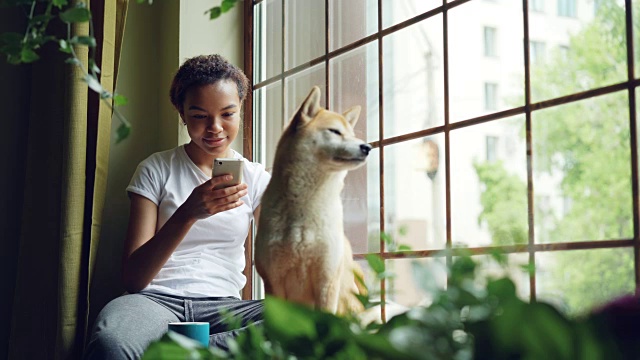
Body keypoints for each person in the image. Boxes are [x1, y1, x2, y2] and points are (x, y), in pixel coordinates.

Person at [84, 54, 271, 359]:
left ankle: (182, 353)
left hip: (223, 306)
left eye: (228, 114)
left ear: (241, 111)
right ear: (182, 113)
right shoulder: (156, 168)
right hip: (153, 302)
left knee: (307, 322)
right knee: (112, 343)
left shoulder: (256, 178)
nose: (215, 128)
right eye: (199, 116)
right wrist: (188, 213)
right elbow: (133, 278)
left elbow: (277, 259)